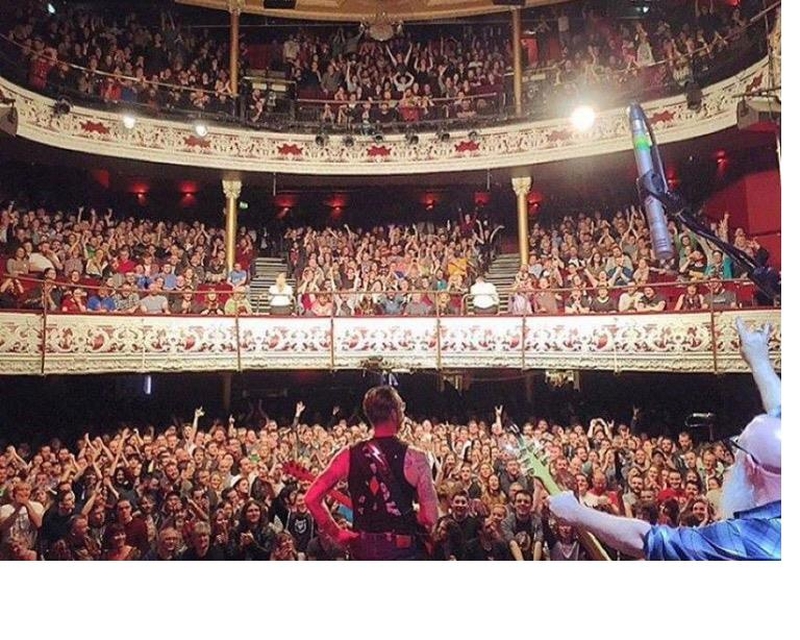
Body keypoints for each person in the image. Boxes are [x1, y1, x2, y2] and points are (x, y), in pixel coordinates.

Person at [548, 319, 781, 560]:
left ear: (752, 468)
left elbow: (646, 540)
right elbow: (782, 410)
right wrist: (760, 363)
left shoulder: (742, 538)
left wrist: (576, 513)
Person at [306, 385, 438, 560]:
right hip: (403, 550)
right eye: (401, 408)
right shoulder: (417, 458)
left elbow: (311, 498)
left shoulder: (348, 455)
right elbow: (430, 516)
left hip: (363, 550)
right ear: (394, 413)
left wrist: (337, 533)